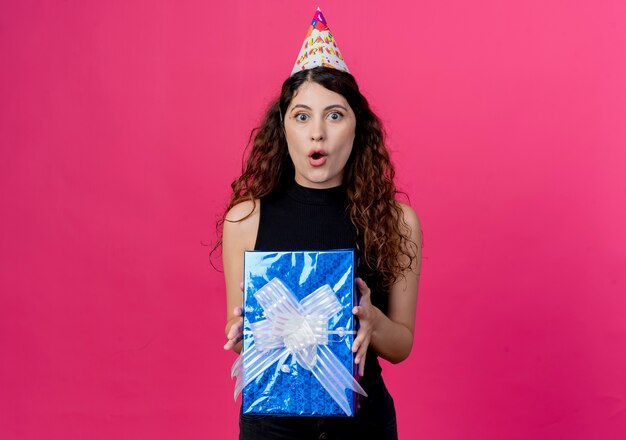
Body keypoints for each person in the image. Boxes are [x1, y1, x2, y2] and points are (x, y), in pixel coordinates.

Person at [217, 9, 422, 440]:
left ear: (357, 128)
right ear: (284, 128)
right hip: (270, 425)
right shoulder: (245, 219)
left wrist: (372, 321)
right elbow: (237, 336)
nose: (318, 134)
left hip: (364, 425)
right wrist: (243, 336)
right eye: (302, 116)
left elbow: (401, 344)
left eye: (334, 115)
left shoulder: (397, 221)